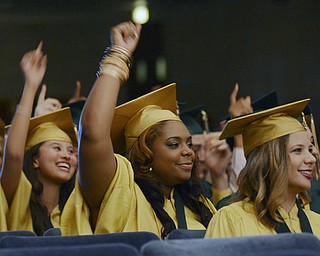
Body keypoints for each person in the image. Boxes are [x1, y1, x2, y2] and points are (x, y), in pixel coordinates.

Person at [60, 21, 216, 239]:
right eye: (174, 144)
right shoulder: (120, 191)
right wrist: (118, 55)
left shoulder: (197, 202)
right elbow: (93, 133)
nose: (188, 151)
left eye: (189, 143)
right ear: (145, 154)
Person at [205, 98, 320, 239]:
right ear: (269, 160)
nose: (311, 159)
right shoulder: (231, 219)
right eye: (297, 150)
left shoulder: (317, 223)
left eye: (310, 149)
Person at [0, 42, 78, 235]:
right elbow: (14, 154)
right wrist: (30, 86)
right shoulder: (19, 196)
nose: (66, 155)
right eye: (56, 148)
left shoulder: (76, 207)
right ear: (35, 159)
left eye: (71, 151)